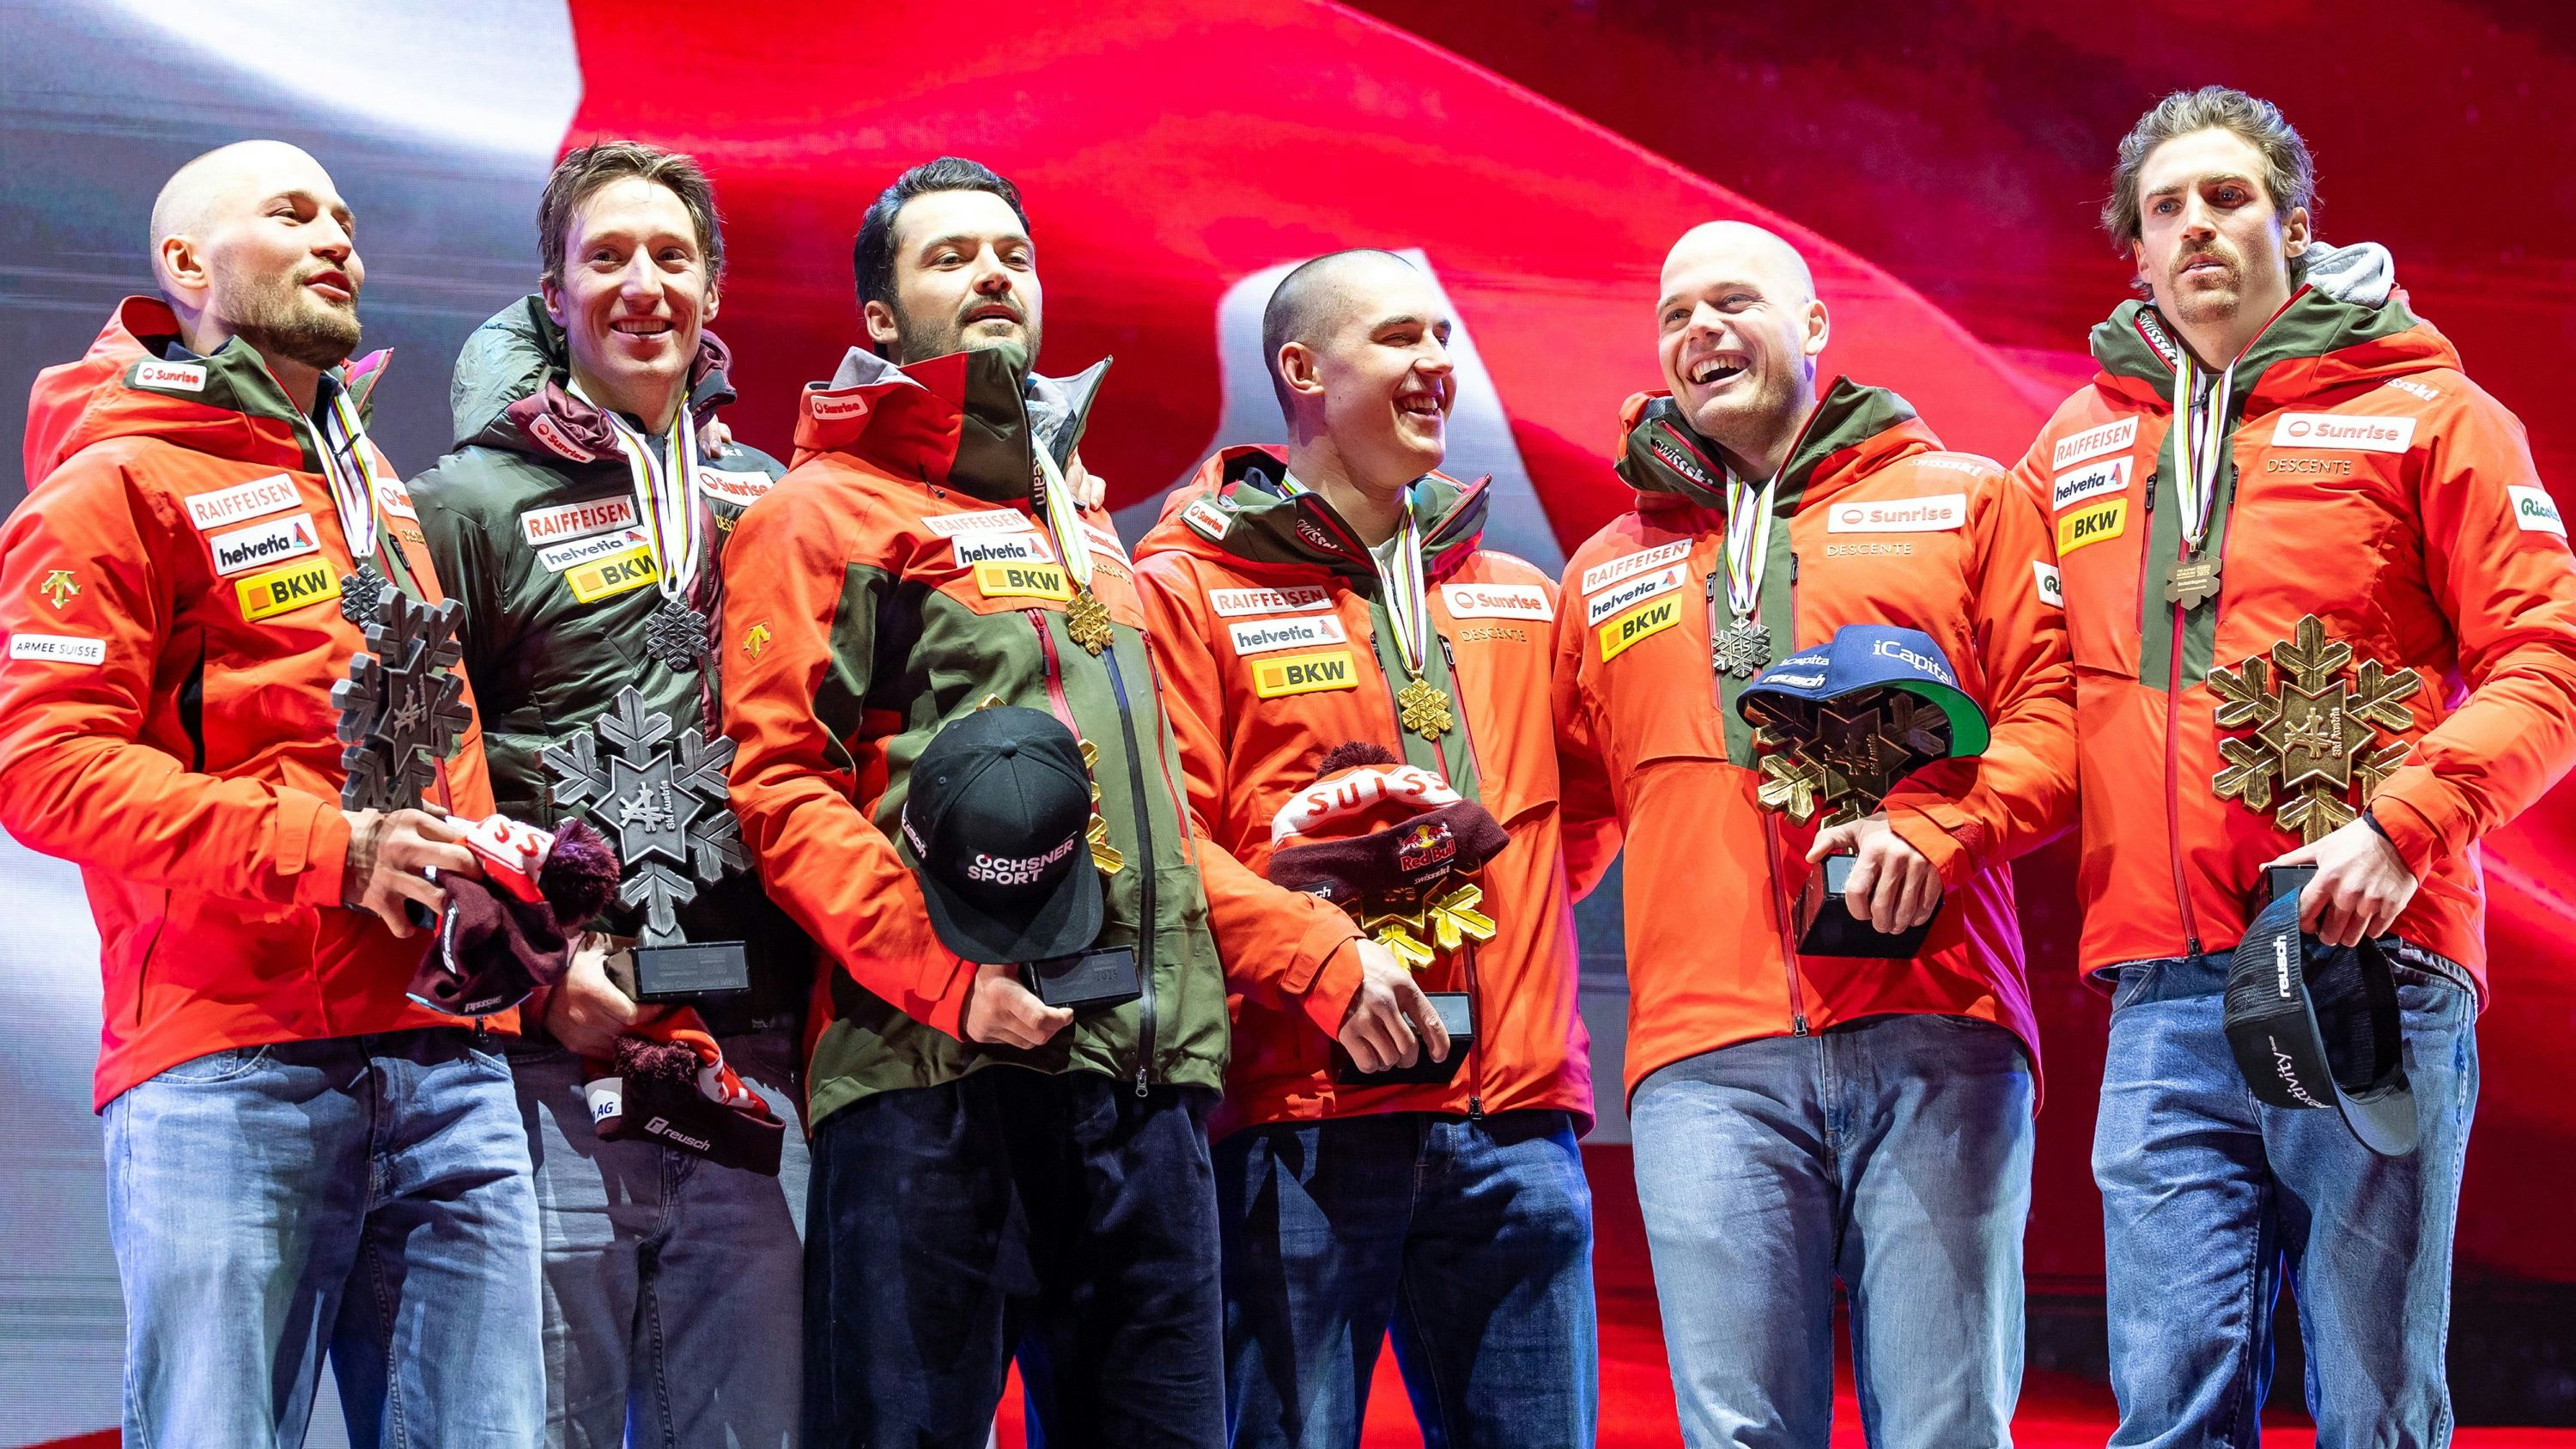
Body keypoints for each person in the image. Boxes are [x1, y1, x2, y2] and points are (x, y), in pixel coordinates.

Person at [718, 156, 1367, 1448]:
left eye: (1010, 252)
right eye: (950, 257)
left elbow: (1158, 829)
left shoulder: (1081, 518)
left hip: (1142, 1085)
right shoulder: (824, 512)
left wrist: (1300, 955)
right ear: (881, 322)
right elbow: (783, 787)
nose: (993, 273)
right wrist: (952, 982)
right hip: (930, 1083)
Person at [2014, 87, 2576, 1446]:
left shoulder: (2430, 415)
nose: (2197, 225)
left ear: (2299, 224)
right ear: (2135, 255)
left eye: (2230, 197)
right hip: (2159, 991)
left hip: (2359, 963)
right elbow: (2006, 675)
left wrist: (2401, 829)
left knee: (2375, 1401)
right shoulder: (2074, 444)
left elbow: (2548, 660)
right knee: (2168, 1404)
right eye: (2166, 209)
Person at [0, 140, 539, 1446]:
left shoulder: (369, 487)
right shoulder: (109, 483)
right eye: (291, 214)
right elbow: (44, 767)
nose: (336, 236)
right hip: (230, 1068)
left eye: (345, 217)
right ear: (185, 265)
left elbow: (418, 746)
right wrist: (333, 849)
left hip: (450, 1064)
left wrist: (502, 897)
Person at [1552, 221, 2073, 1448]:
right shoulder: (1604, 568)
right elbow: (1566, 821)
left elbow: (2058, 725)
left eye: (1734, 301)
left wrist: (1943, 831)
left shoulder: (1964, 499)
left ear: (1817, 329)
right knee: (1739, 1437)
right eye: (1675, 314)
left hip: (1936, 1027)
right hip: (1701, 1061)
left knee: (1944, 1430)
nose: (1699, 331)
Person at [1132, 249, 1598, 1447]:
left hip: (1515, 1126)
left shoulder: (1518, 597)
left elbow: (1578, 816)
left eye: (1443, 335)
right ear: (1302, 368)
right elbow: (1159, 839)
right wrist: (1327, 962)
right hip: (1304, 1112)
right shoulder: (1187, 589)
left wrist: (1519, 952)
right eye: (1399, 338)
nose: (1438, 362)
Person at [408, 139, 812, 1447]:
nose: (644, 285)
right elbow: (414, 762)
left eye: (672, 256)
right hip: (550, 1057)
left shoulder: (779, 501)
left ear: (713, 289)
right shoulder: (466, 499)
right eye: (608, 257)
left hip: (744, 1054)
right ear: (554, 292)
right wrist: (533, 978)